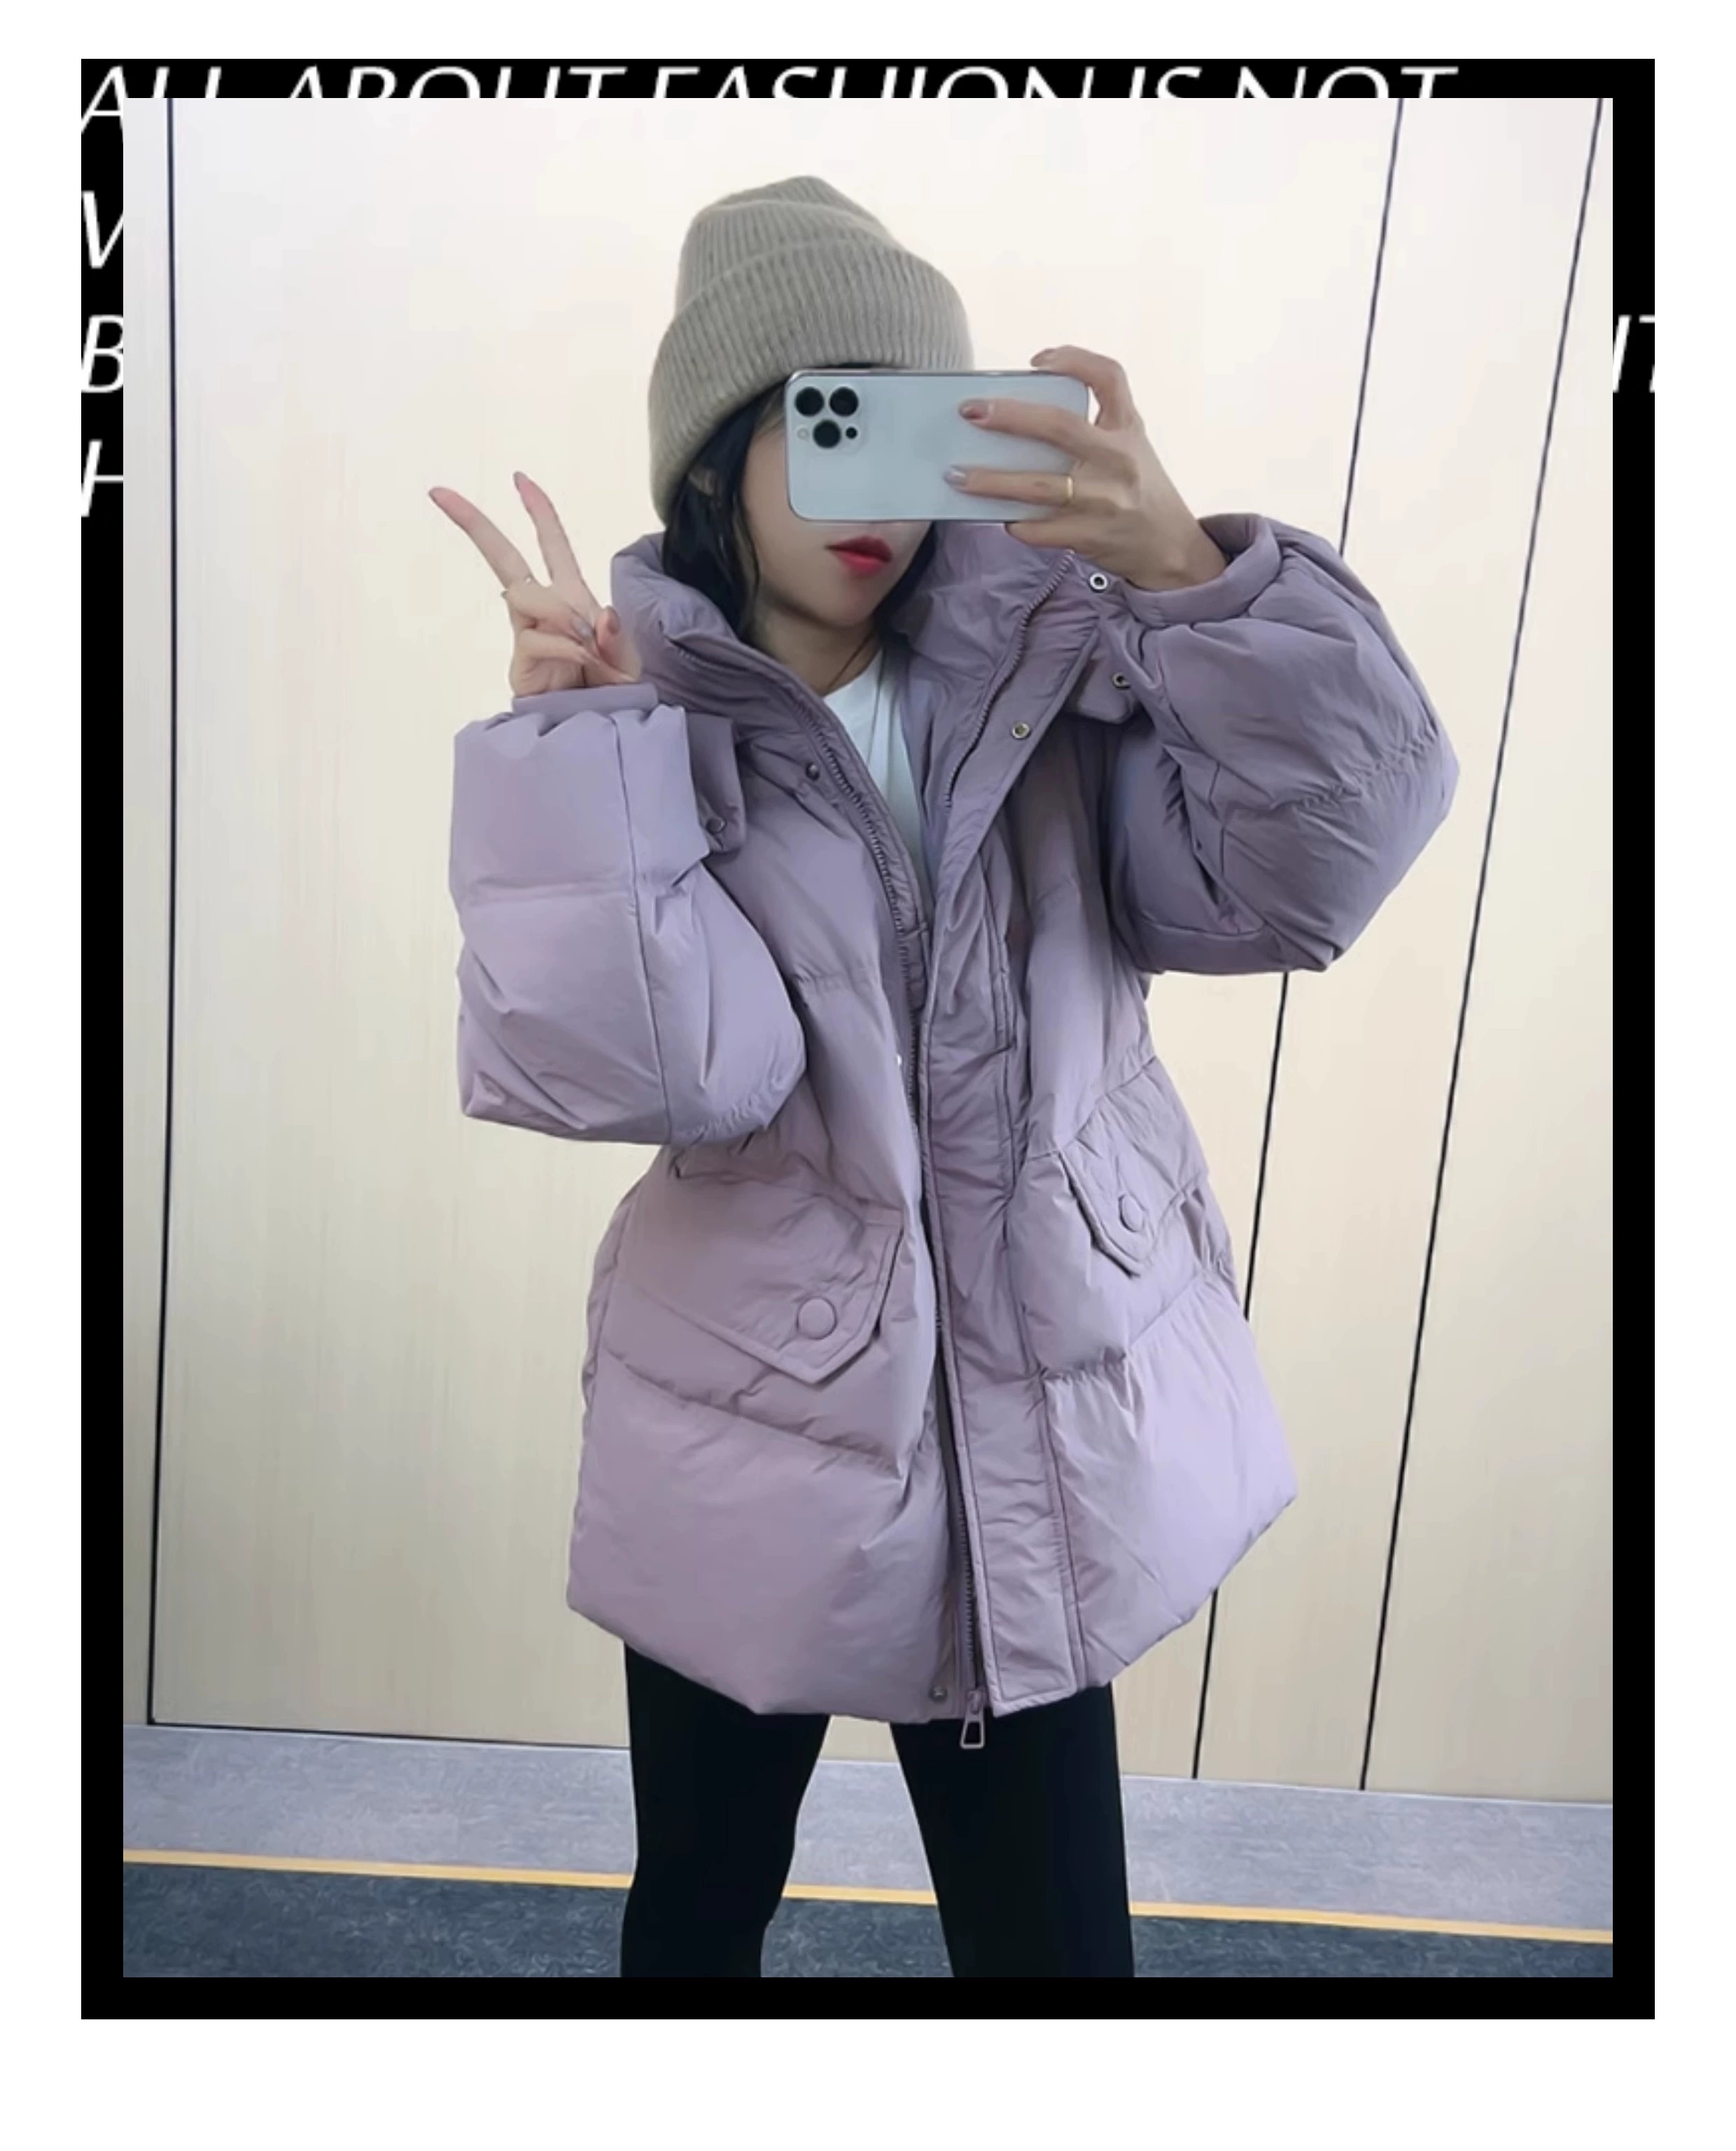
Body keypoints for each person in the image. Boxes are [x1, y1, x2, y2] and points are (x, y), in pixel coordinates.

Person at [433, 175, 1458, 1982]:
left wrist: (1191, 577)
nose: (877, 499)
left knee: (1057, 1959)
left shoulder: (1066, 681)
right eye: (826, 425)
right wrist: (581, 755)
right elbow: (672, 1071)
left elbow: (1312, 878)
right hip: (746, 1424)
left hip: (1032, 1429)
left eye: (910, 431)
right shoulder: (649, 726)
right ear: (717, 458)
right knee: (696, 1929)